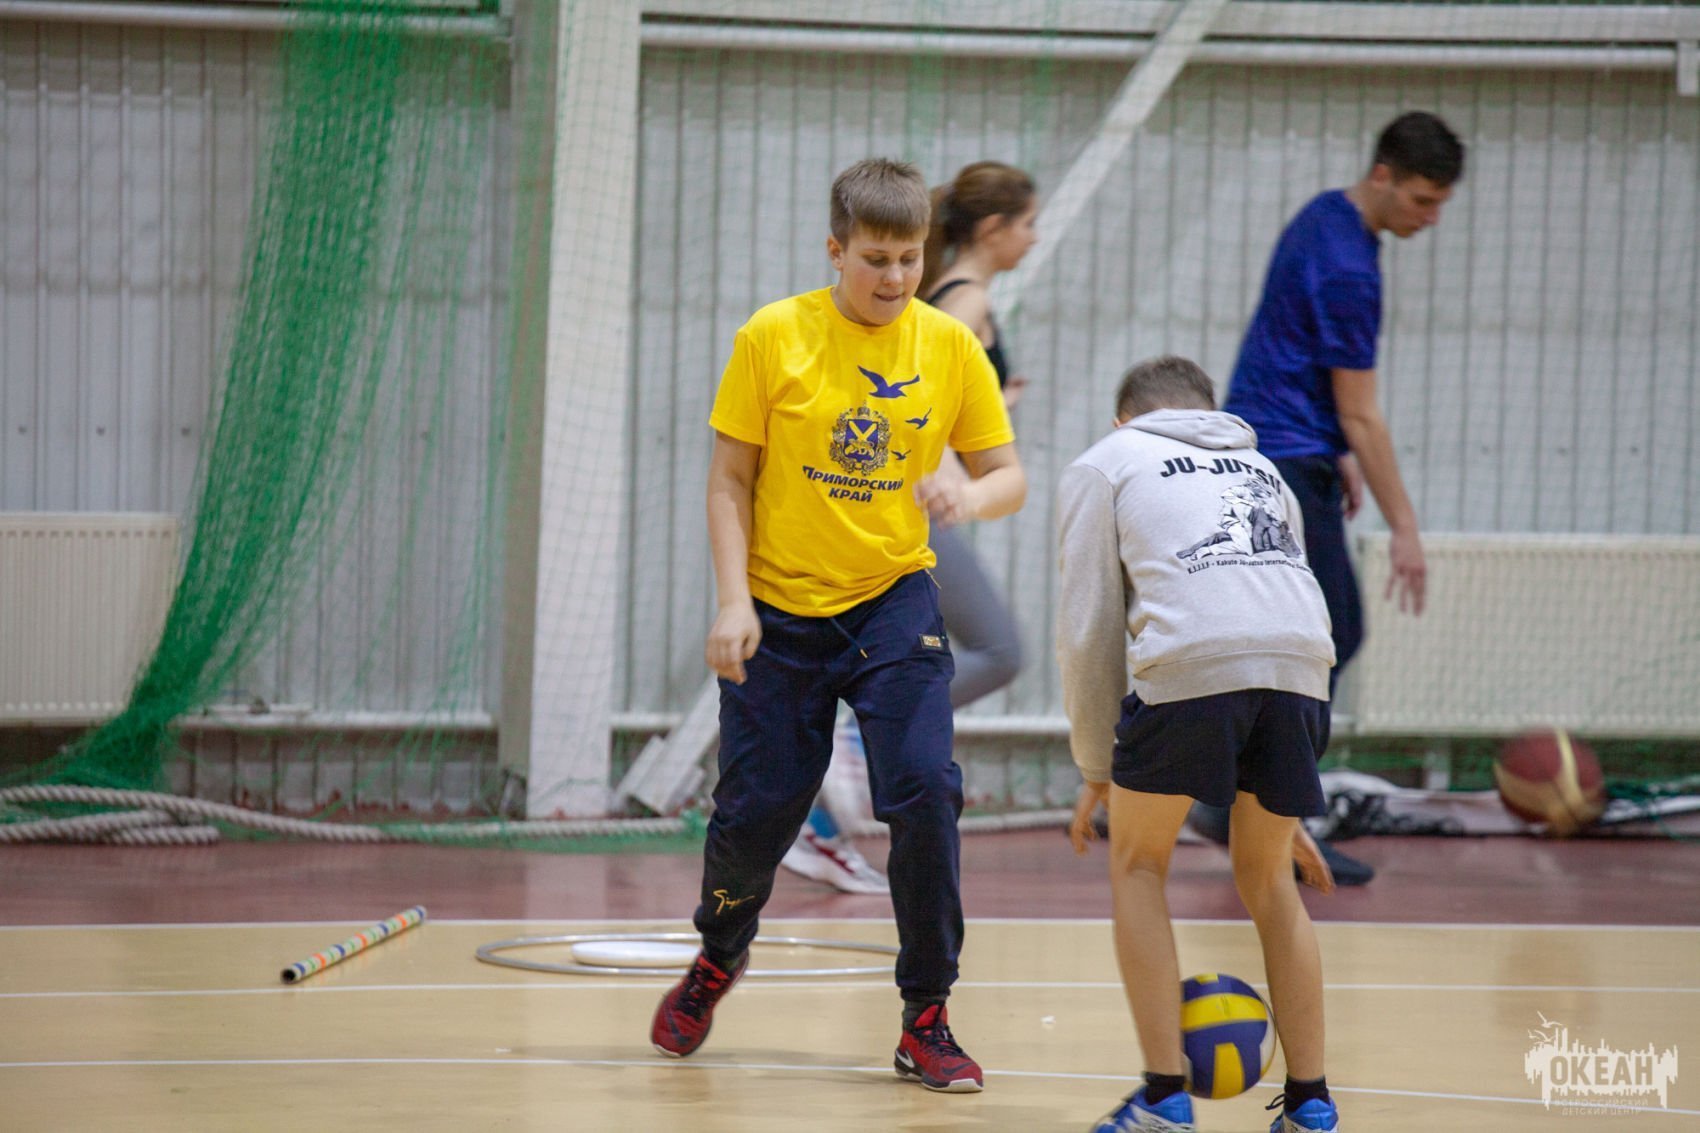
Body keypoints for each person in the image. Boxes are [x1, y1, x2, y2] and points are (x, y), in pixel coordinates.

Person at [652, 157, 1027, 1094]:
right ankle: (718, 953)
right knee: (755, 817)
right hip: (780, 612)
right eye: (875, 259)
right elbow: (729, 480)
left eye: (909, 259)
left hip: (893, 600)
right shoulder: (772, 336)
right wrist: (734, 601)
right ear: (835, 250)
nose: (895, 278)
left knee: (927, 790)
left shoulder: (950, 346)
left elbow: (1008, 474)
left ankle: (926, 1013)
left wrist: (969, 496)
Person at [1057, 355, 1341, 1133]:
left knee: (1139, 864)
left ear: (1124, 418)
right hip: (1302, 671)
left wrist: (1096, 765)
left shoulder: (1108, 461)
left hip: (1192, 664)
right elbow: (1277, 602)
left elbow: (1087, 629)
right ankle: (1312, 1107)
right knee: (1269, 877)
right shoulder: (1263, 467)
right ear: (1210, 413)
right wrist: (1283, 804)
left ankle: (1163, 1099)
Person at [1204, 110, 1467, 885]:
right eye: (1422, 200)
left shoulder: (1325, 215)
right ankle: (1264, 820)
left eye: (1441, 203)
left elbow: (1293, 353)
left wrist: (1335, 448)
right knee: (1330, 633)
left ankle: (1239, 807)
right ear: (1383, 175)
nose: (1431, 218)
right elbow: (1361, 409)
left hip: (1274, 447)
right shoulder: (1352, 268)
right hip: (1286, 460)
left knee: (1293, 640)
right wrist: (1405, 527)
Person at [780, 160, 1038, 895]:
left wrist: (995, 407)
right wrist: (959, 475)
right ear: (994, 228)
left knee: (978, 653)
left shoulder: (949, 297)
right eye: (1027, 223)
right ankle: (855, 738)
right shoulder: (966, 302)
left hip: (923, 496)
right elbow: (924, 405)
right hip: (917, 503)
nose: (1033, 237)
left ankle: (822, 820)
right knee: (1000, 649)